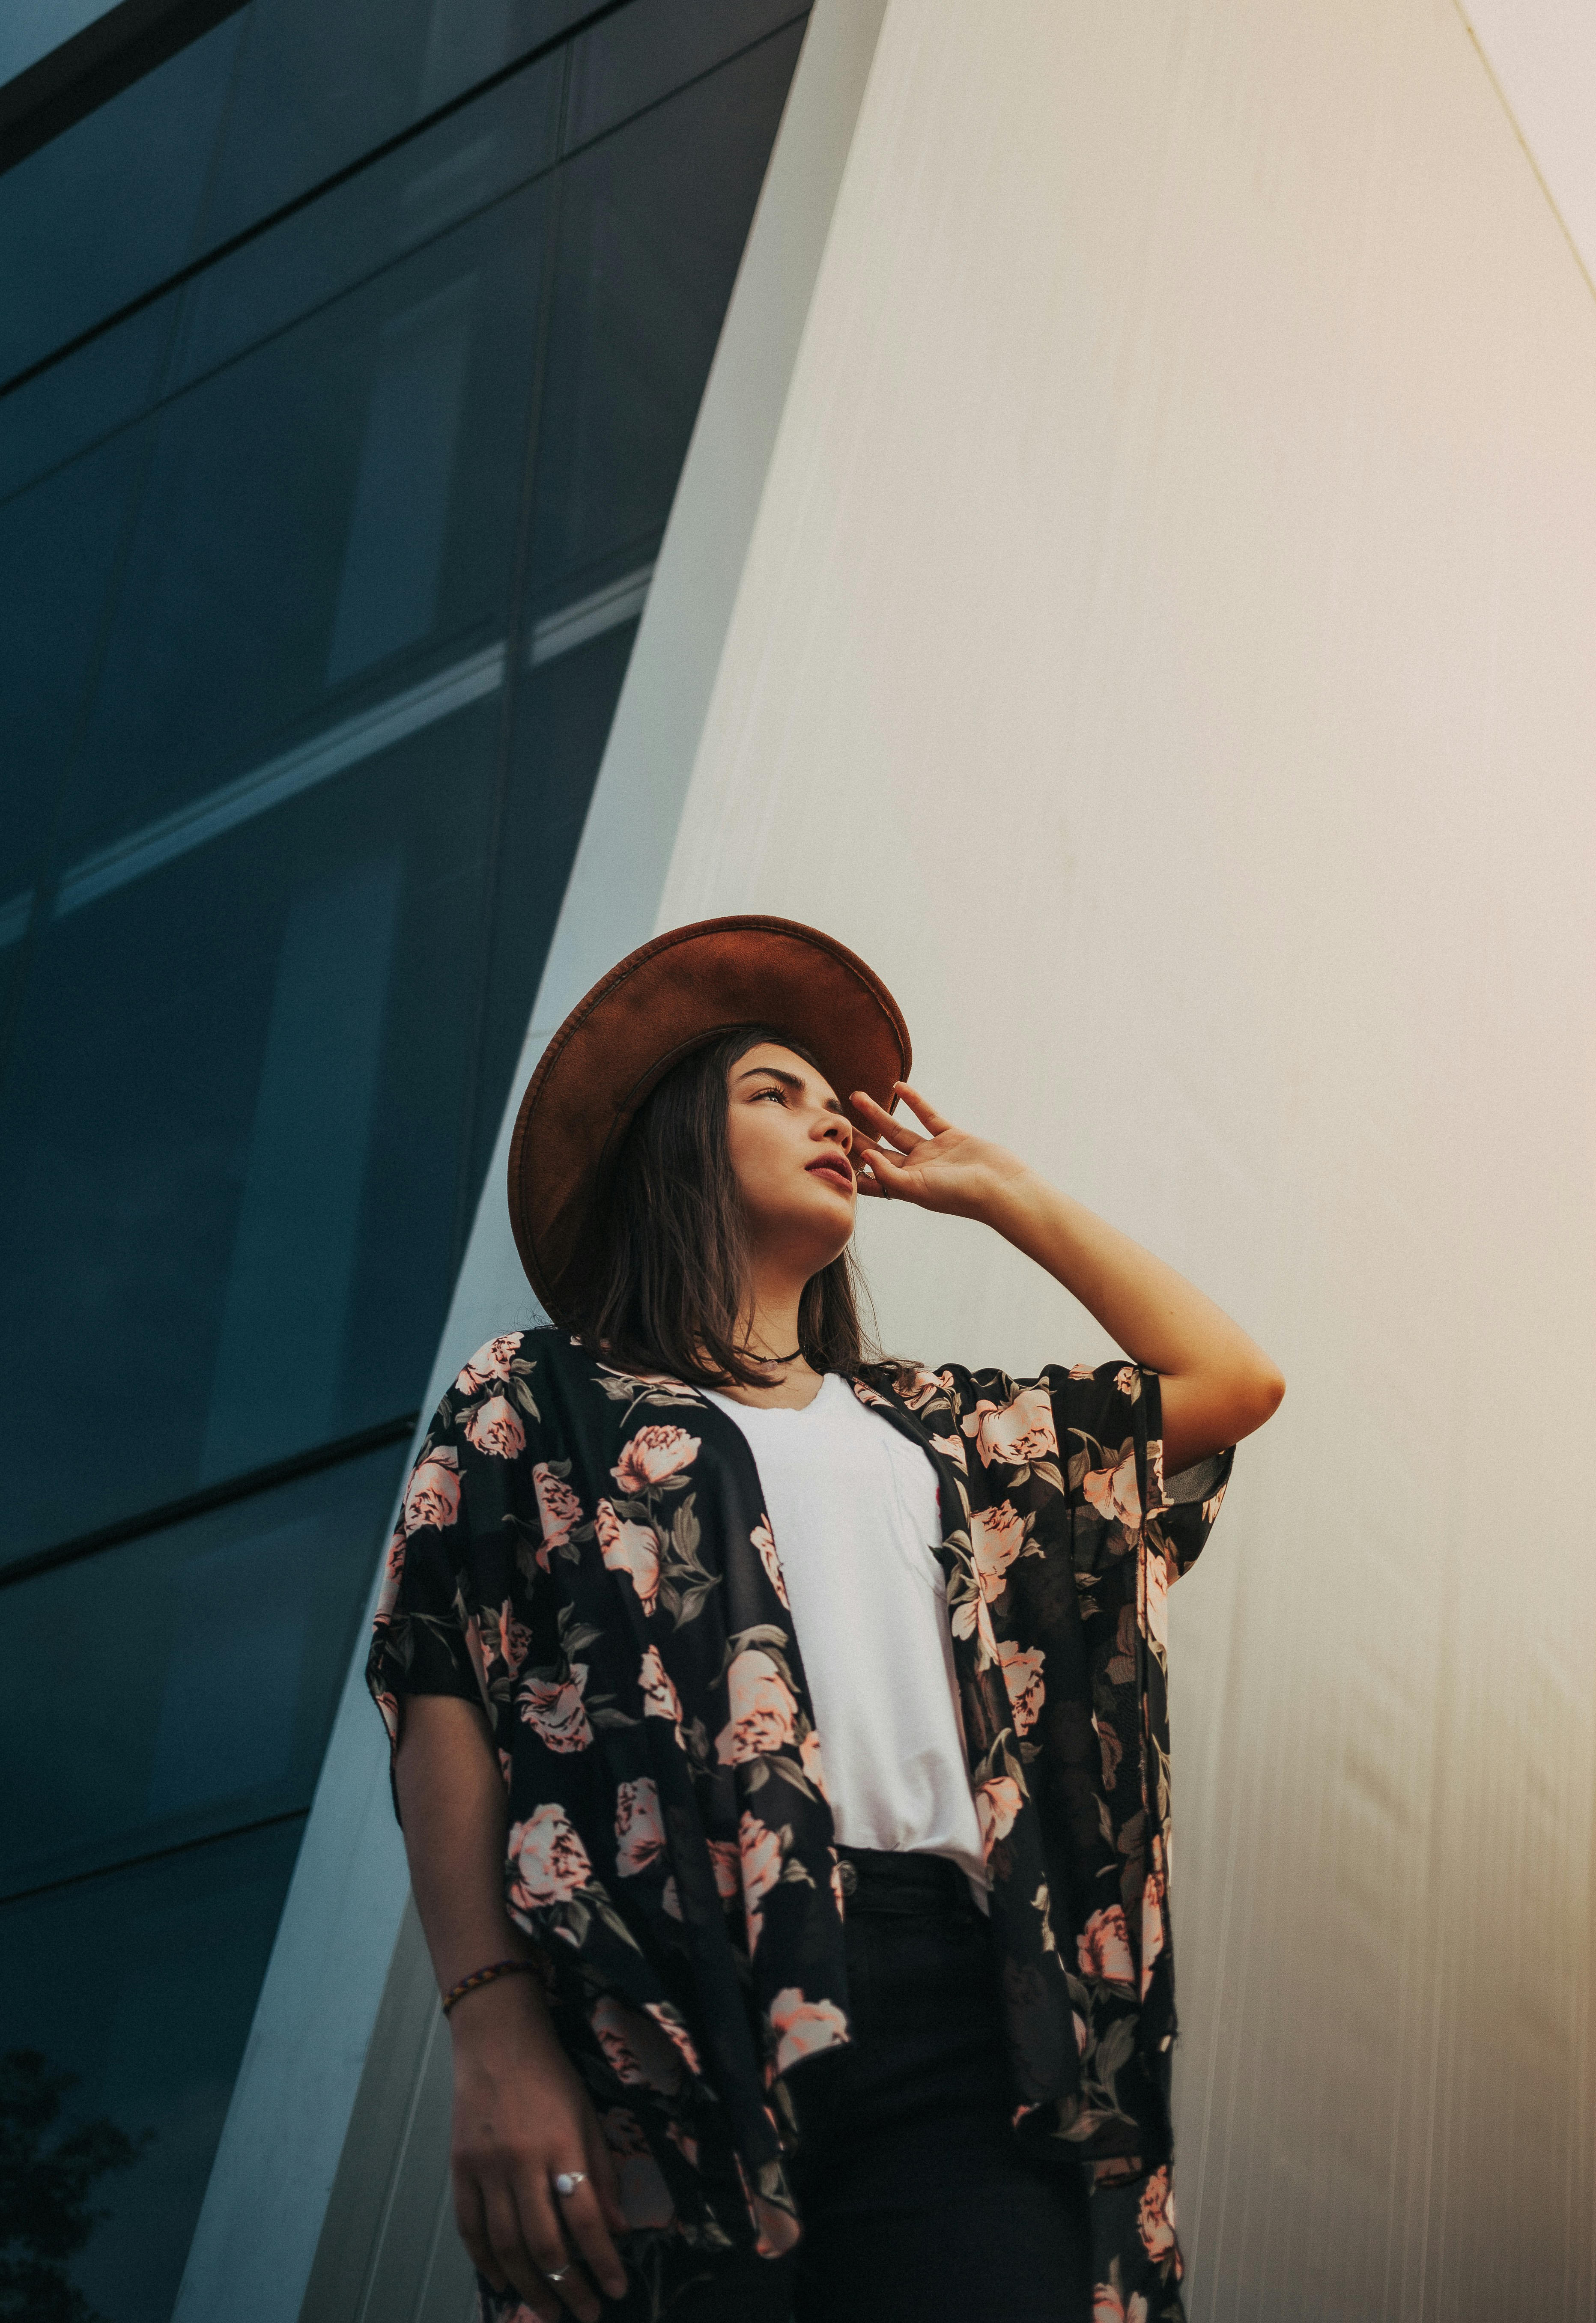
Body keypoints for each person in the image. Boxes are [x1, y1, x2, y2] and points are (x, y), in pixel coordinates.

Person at [367, 915, 1283, 2323]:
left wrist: (1000, 1189)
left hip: (959, 2022)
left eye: (829, 1098)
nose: (830, 1123)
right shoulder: (537, 1400)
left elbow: (1230, 1377)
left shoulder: (936, 1431)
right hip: (663, 2023)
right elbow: (444, 1700)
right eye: (771, 1092)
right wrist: (490, 2026)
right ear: (678, 1143)